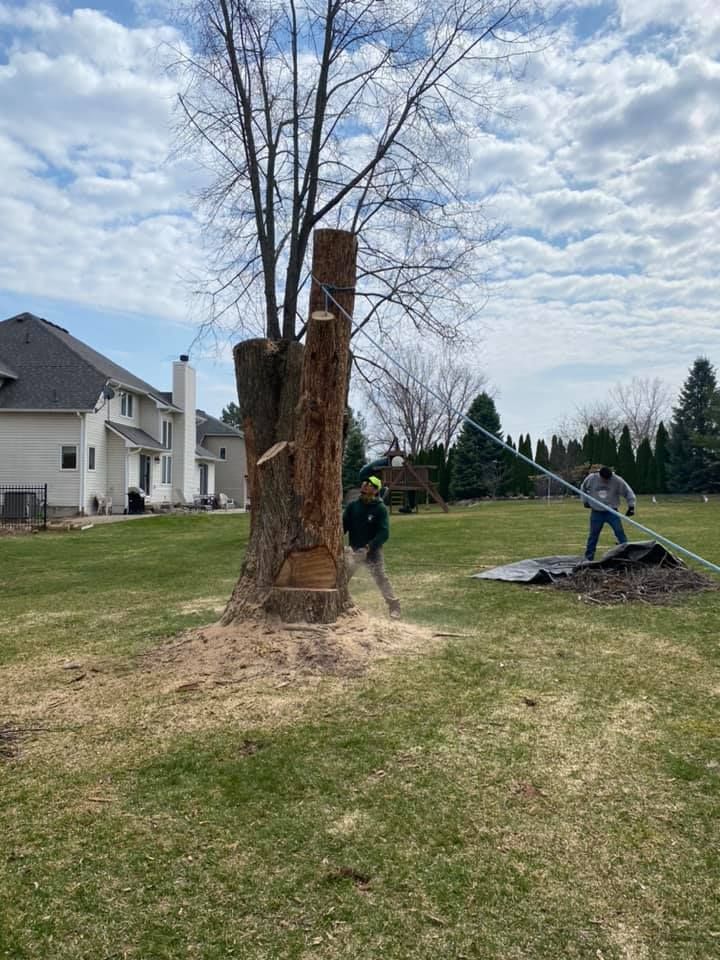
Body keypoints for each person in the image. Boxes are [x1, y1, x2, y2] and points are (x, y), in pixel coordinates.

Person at [343, 475, 401, 618]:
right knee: (342, 577)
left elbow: (384, 533)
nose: (366, 485)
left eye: (370, 484)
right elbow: (343, 527)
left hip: (373, 551)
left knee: (380, 577)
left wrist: (369, 547)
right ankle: (340, 603)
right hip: (354, 550)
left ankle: (394, 606)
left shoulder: (380, 509)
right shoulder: (353, 507)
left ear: (375, 490)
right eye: (365, 483)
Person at [580, 465, 636, 561]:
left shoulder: (617, 480)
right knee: (593, 536)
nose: (606, 481)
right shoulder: (591, 478)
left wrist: (631, 506)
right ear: (600, 475)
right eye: (604, 479)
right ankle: (589, 558)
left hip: (612, 511)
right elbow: (583, 488)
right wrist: (585, 501)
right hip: (596, 512)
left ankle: (627, 556)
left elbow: (628, 491)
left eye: (608, 479)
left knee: (619, 532)